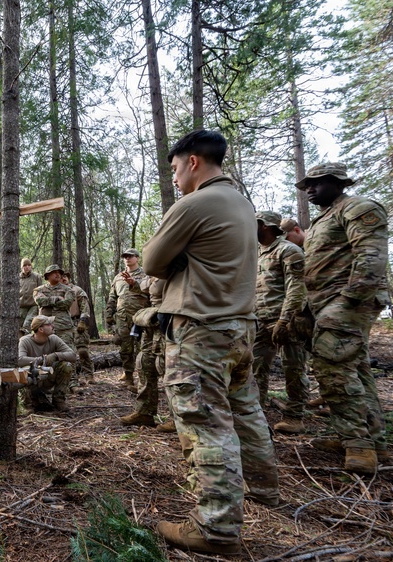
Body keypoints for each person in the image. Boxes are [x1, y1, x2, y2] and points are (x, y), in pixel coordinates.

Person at [142, 130, 278, 556]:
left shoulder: (196, 203)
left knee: (205, 424)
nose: (176, 176)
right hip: (239, 326)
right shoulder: (242, 203)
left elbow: (152, 263)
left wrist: (179, 260)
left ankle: (216, 528)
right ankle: (264, 487)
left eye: (176, 167)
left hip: (200, 328)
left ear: (193, 161)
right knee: (245, 408)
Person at [296, 162, 389, 473]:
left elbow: (371, 256)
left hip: (347, 302)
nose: (309, 189)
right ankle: (372, 439)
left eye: (317, 183)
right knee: (356, 367)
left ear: (338, 182)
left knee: (332, 367)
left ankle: (358, 446)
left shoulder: (357, 207)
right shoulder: (326, 216)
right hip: (326, 302)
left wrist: (349, 300)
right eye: (307, 184)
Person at [252, 211, 311, 433]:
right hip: (259, 321)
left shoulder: (289, 251)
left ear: (265, 226)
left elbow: (296, 289)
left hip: (286, 321)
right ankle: (256, 412)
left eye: (254, 223)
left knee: (293, 368)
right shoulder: (254, 253)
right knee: (256, 367)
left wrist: (285, 320)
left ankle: (295, 415)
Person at [120, 275, 174, 431]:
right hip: (152, 320)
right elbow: (144, 288)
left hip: (171, 321)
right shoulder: (154, 271)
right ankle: (144, 412)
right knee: (144, 362)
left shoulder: (178, 265)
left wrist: (150, 282)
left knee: (167, 367)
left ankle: (177, 418)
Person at [105, 249, 150, 389]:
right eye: (125, 256)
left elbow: (151, 293)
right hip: (123, 317)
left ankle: (144, 379)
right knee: (125, 347)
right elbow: (113, 296)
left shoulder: (145, 275)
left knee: (141, 347)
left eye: (130, 256)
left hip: (141, 316)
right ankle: (128, 375)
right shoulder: (118, 277)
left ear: (137, 258)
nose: (127, 259)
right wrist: (109, 313)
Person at [18, 315, 76, 412]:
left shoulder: (53, 338)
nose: (53, 326)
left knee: (66, 366)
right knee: (26, 369)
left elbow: (73, 356)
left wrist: (56, 355)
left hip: (48, 377)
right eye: (49, 324)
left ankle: (58, 400)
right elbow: (20, 360)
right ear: (41, 329)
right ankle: (28, 403)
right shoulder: (25, 341)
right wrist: (41, 359)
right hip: (31, 381)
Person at [32, 265, 76, 374]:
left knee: (67, 353)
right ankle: (45, 378)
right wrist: (56, 298)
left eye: (59, 272)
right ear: (47, 275)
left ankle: (72, 381)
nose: (58, 274)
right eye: (54, 272)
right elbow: (40, 301)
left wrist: (48, 302)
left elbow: (67, 303)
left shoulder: (68, 289)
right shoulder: (39, 289)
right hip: (44, 328)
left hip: (63, 327)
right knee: (45, 354)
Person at [61, 272, 93, 385]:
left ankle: (89, 374)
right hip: (61, 324)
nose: (63, 278)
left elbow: (85, 306)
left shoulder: (77, 290)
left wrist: (83, 321)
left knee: (82, 350)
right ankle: (71, 379)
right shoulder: (55, 290)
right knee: (67, 352)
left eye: (65, 276)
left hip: (76, 322)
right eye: (61, 276)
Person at [19, 258, 42, 333]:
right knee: (19, 326)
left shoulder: (37, 276)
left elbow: (40, 291)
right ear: (21, 267)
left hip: (33, 305)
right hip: (21, 306)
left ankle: (27, 342)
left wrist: (40, 307)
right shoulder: (17, 278)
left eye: (29, 265)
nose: (27, 267)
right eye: (25, 265)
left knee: (27, 326)